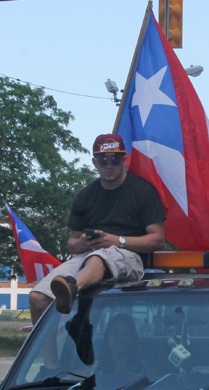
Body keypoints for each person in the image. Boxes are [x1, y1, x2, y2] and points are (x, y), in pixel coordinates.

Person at [29, 134, 166, 324]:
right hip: (88, 256)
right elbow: (73, 243)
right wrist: (83, 243)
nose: (109, 165)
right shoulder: (85, 195)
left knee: (99, 257)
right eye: (103, 160)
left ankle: (72, 288)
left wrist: (117, 241)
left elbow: (158, 239)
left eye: (115, 159)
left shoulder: (143, 192)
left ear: (124, 160)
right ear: (94, 162)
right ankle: (48, 355)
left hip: (130, 257)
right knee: (37, 297)